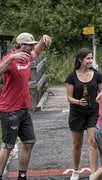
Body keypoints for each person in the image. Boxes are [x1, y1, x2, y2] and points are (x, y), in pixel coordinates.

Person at [0, 32, 52, 180]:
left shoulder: (27, 56)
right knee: (8, 146)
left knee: (29, 142)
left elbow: (37, 52)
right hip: (9, 109)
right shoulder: (10, 58)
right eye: (30, 45)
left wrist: (43, 39)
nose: (32, 47)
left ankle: (22, 176)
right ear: (22, 45)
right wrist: (10, 59)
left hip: (23, 108)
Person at [65, 48, 102, 180]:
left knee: (93, 142)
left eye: (91, 58)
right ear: (80, 60)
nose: (90, 61)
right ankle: (76, 170)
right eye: (88, 58)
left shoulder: (97, 75)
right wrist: (77, 101)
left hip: (93, 112)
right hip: (77, 113)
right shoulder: (71, 76)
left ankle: (93, 173)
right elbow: (68, 98)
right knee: (77, 144)